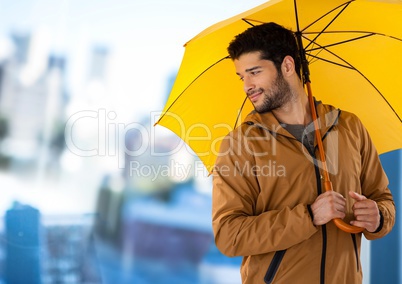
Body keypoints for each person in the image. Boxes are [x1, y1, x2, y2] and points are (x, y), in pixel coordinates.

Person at [212, 22, 395, 284]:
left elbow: (383, 199)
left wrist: (378, 218)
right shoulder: (241, 144)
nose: (247, 85)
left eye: (254, 72)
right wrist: (309, 216)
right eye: (242, 76)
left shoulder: (350, 126)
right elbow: (229, 235)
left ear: (288, 66)